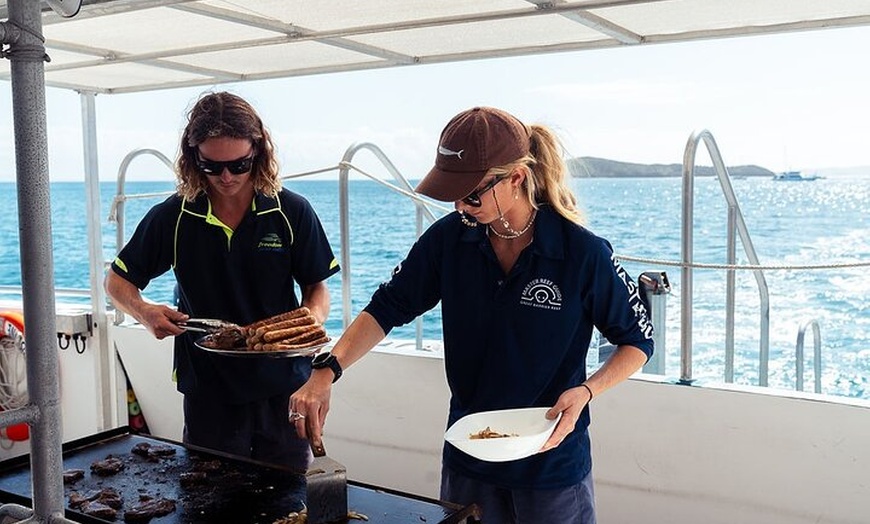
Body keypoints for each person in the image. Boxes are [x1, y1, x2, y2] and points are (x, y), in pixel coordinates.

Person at [290, 106, 654, 522]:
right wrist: (326, 370)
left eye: (473, 193)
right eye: (453, 194)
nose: (462, 206)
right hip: (469, 456)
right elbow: (387, 307)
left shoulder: (582, 252)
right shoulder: (450, 240)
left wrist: (586, 392)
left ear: (516, 178)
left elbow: (638, 341)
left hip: (551, 465)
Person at [105, 91, 339, 473]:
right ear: (193, 157)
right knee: (209, 502)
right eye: (213, 166)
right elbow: (116, 282)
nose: (227, 177)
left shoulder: (290, 211)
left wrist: (312, 317)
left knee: (287, 500)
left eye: (239, 164)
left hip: (283, 386)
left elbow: (317, 287)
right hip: (208, 389)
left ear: (258, 152)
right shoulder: (174, 216)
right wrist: (144, 311)